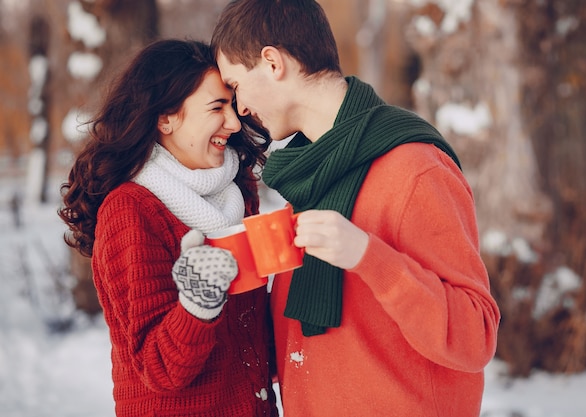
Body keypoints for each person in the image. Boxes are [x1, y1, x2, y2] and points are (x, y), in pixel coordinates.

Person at [211, 1, 501, 416]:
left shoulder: (415, 170)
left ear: (272, 62)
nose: (239, 109)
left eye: (236, 85)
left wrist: (369, 256)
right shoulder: (312, 175)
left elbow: (475, 337)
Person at [59, 39, 278, 417]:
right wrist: (197, 304)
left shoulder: (236, 193)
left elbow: (249, 335)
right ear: (165, 118)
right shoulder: (131, 211)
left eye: (233, 102)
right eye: (217, 107)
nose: (234, 122)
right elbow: (158, 368)